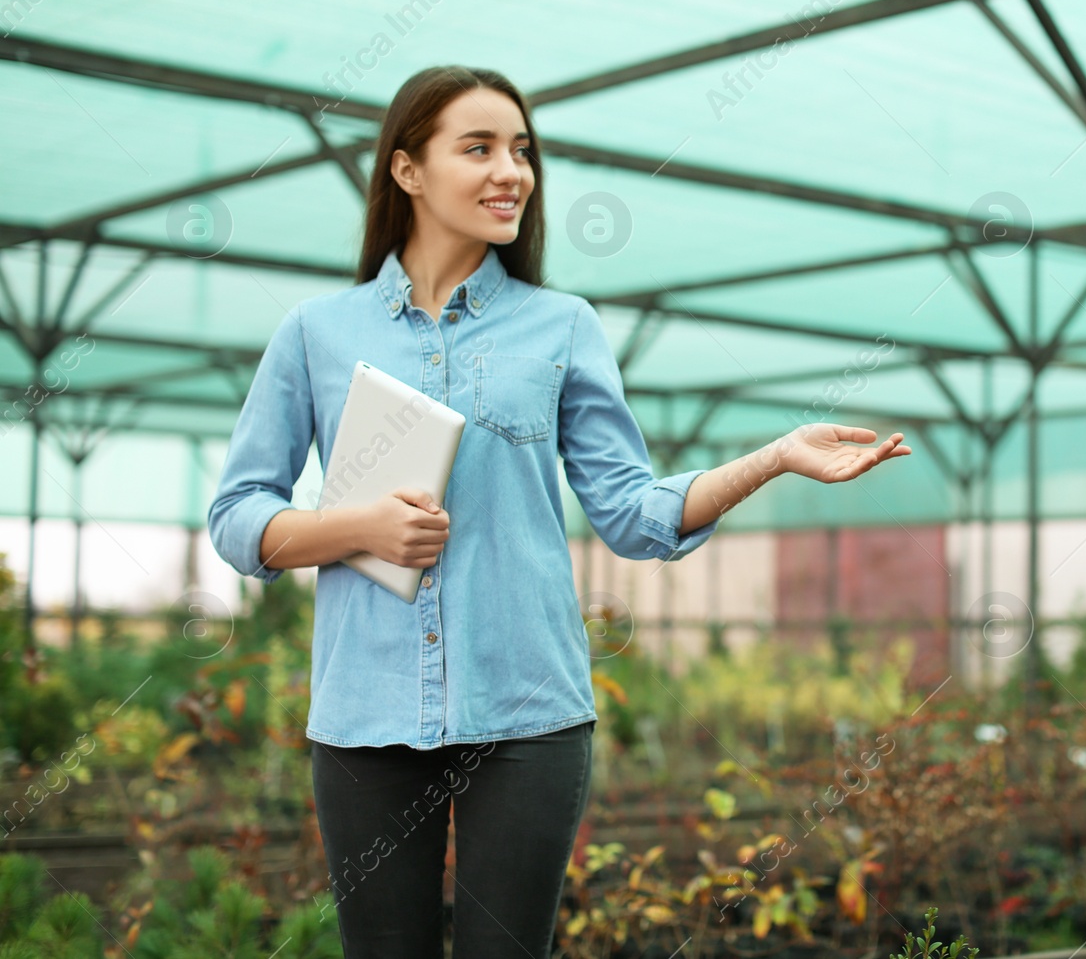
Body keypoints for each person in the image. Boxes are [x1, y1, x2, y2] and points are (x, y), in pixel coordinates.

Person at [206, 65, 912, 959]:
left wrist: (772, 458)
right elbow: (237, 514)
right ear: (407, 170)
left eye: (523, 150)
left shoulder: (563, 326)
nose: (513, 171)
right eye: (480, 148)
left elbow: (632, 512)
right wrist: (357, 529)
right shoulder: (316, 333)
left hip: (530, 715)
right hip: (365, 717)